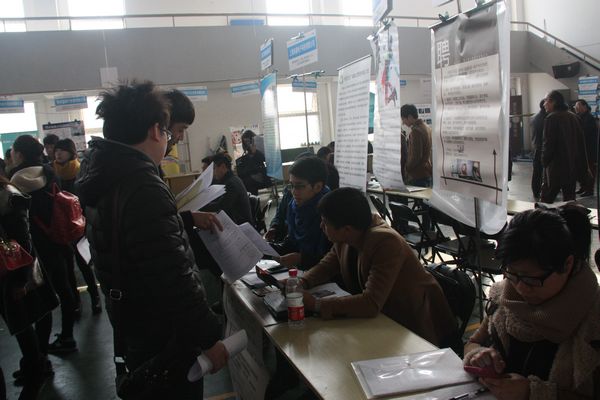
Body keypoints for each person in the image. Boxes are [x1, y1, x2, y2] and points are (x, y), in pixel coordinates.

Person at [76, 81, 228, 399]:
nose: (172, 139)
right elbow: (173, 276)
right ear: (156, 131)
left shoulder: (103, 173)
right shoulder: (142, 184)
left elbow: (141, 241)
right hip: (163, 332)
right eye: (170, 131)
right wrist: (210, 337)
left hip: (133, 321)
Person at [463, 205, 600, 399]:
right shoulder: (503, 297)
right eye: (512, 274)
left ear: (567, 264)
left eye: (532, 279)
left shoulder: (593, 320)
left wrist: (533, 393)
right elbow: (473, 342)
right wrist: (478, 355)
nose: (521, 288)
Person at [300, 187, 457, 347]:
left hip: (413, 326)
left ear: (347, 229)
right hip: (384, 319)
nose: (321, 226)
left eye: (325, 222)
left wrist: (317, 305)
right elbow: (327, 266)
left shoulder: (386, 242)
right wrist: (301, 282)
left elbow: (371, 303)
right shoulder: (350, 234)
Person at [10, 135, 78, 355]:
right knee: (65, 289)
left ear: (20, 154)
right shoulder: (50, 172)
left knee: (41, 296)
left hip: (36, 246)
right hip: (59, 238)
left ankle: (40, 354)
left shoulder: (18, 179)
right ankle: (67, 336)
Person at [0, 176, 58, 399]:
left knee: (23, 323)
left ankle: (37, 371)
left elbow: (23, 239)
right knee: (22, 323)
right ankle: (35, 366)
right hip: (11, 269)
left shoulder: (9, 196)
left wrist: (21, 280)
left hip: (14, 269)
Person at [53, 138, 102, 316]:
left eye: (62, 150)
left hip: (80, 224)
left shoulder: (79, 170)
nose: (58, 153)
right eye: (56, 150)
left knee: (83, 263)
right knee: (67, 268)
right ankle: (76, 301)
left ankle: (95, 296)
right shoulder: (51, 172)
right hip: (61, 226)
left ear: (71, 152)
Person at [274, 156, 331, 270]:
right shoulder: (293, 207)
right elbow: (292, 242)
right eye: (291, 186)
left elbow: (333, 259)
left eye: (299, 186)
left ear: (318, 187)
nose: (294, 192)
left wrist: (301, 259)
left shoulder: (329, 212)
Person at [540, 90, 589, 203]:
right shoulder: (574, 117)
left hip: (555, 168)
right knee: (569, 201)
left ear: (553, 102)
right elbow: (581, 145)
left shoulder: (551, 118)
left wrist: (543, 162)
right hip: (572, 167)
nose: (544, 104)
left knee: (546, 202)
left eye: (546, 101)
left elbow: (548, 145)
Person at [203, 153, 252, 225]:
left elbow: (221, 207)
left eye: (214, 168)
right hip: (238, 222)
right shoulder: (232, 179)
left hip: (241, 227)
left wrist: (201, 207)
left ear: (223, 167)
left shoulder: (231, 184)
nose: (213, 172)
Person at [401, 104, 432, 187]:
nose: (403, 122)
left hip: (418, 175)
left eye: (403, 119)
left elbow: (416, 156)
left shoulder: (416, 131)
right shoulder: (426, 127)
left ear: (410, 117)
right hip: (426, 172)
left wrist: (407, 168)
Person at [575, 99, 598, 196]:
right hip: (582, 149)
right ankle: (583, 187)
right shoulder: (580, 117)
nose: (576, 108)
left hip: (589, 149)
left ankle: (589, 190)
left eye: (578, 106)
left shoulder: (589, 118)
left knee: (590, 169)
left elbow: (585, 133)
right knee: (582, 169)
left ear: (584, 106)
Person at [236, 130, 270, 195]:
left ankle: (252, 199)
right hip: (250, 177)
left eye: (248, 141)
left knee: (248, 182)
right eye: (245, 142)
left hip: (261, 177)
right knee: (242, 181)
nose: (247, 144)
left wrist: (255, 153)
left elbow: (264, 160)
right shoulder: (246, 156)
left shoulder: (260, 151)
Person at [530, 99, 546, 200]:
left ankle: (536, 191)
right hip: (542, 147)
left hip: (536, 146)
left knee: (537, 171)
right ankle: (539, 192)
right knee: (540, 171)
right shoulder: (546, 118)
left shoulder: (535, 116)